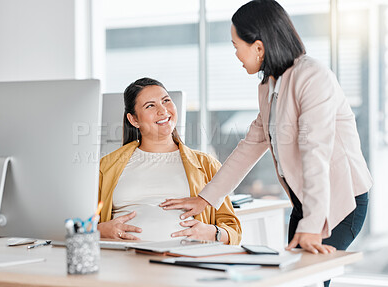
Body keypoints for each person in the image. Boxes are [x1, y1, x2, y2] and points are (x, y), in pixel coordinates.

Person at [161, 0, 372, 264]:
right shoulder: (269, 85)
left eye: (236, 46)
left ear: (258, 47)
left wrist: (313, 223)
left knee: (309, 277)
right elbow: (251, 145)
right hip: (305, 199)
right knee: (299, 277)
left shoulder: (312, 77)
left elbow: (315, 153)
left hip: (340, 200)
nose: (236, 54)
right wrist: (206, 198)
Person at [97, 77, 241, 245]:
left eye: (166, 101)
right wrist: (100, 231)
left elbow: (234, 231)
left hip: (185, 261)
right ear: (134, 120)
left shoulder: (207, 164)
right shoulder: (106, 166)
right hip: (124, 260)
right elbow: (78, 225)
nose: (163, 110)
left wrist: (212, 233)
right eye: (150, 105)